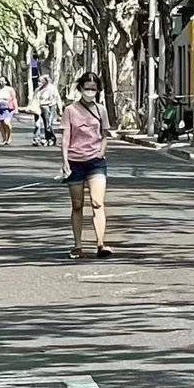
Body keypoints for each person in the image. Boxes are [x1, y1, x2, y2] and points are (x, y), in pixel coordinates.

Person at [61, 72, 113, 259]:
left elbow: (105, 135)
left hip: (96, 163)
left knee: (98, 203)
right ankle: (78, 245)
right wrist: (65, 161)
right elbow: (65, 138)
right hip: (75, 162)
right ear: (80, 89)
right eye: (87, 88)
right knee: (77, 205)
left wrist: (101, 151)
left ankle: (101, 243)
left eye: (94, 89)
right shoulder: (70, 110)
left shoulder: (101, 110)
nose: (90, 92)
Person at [34, 75, 62, 146]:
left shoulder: (52, 88)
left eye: (41, 81)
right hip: (38, 108)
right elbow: (34, 99)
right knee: (38, 124)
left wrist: (60, 109)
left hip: (49, 107)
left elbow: (58, 98)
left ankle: (51, 138)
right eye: (38, 81)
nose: (39, 83)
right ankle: (37, 139)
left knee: (48, 124)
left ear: (46, 81)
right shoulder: (38, 90)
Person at [0, 76, 17, 145]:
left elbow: (14, 99)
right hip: (0, 108)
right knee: (1, 124)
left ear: (6, 82)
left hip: (8, 108)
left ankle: (9, 137)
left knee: (6, 123)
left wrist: (16, 108)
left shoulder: (10, 89)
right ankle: (4, 139)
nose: (1, 82)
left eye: (2, 81)